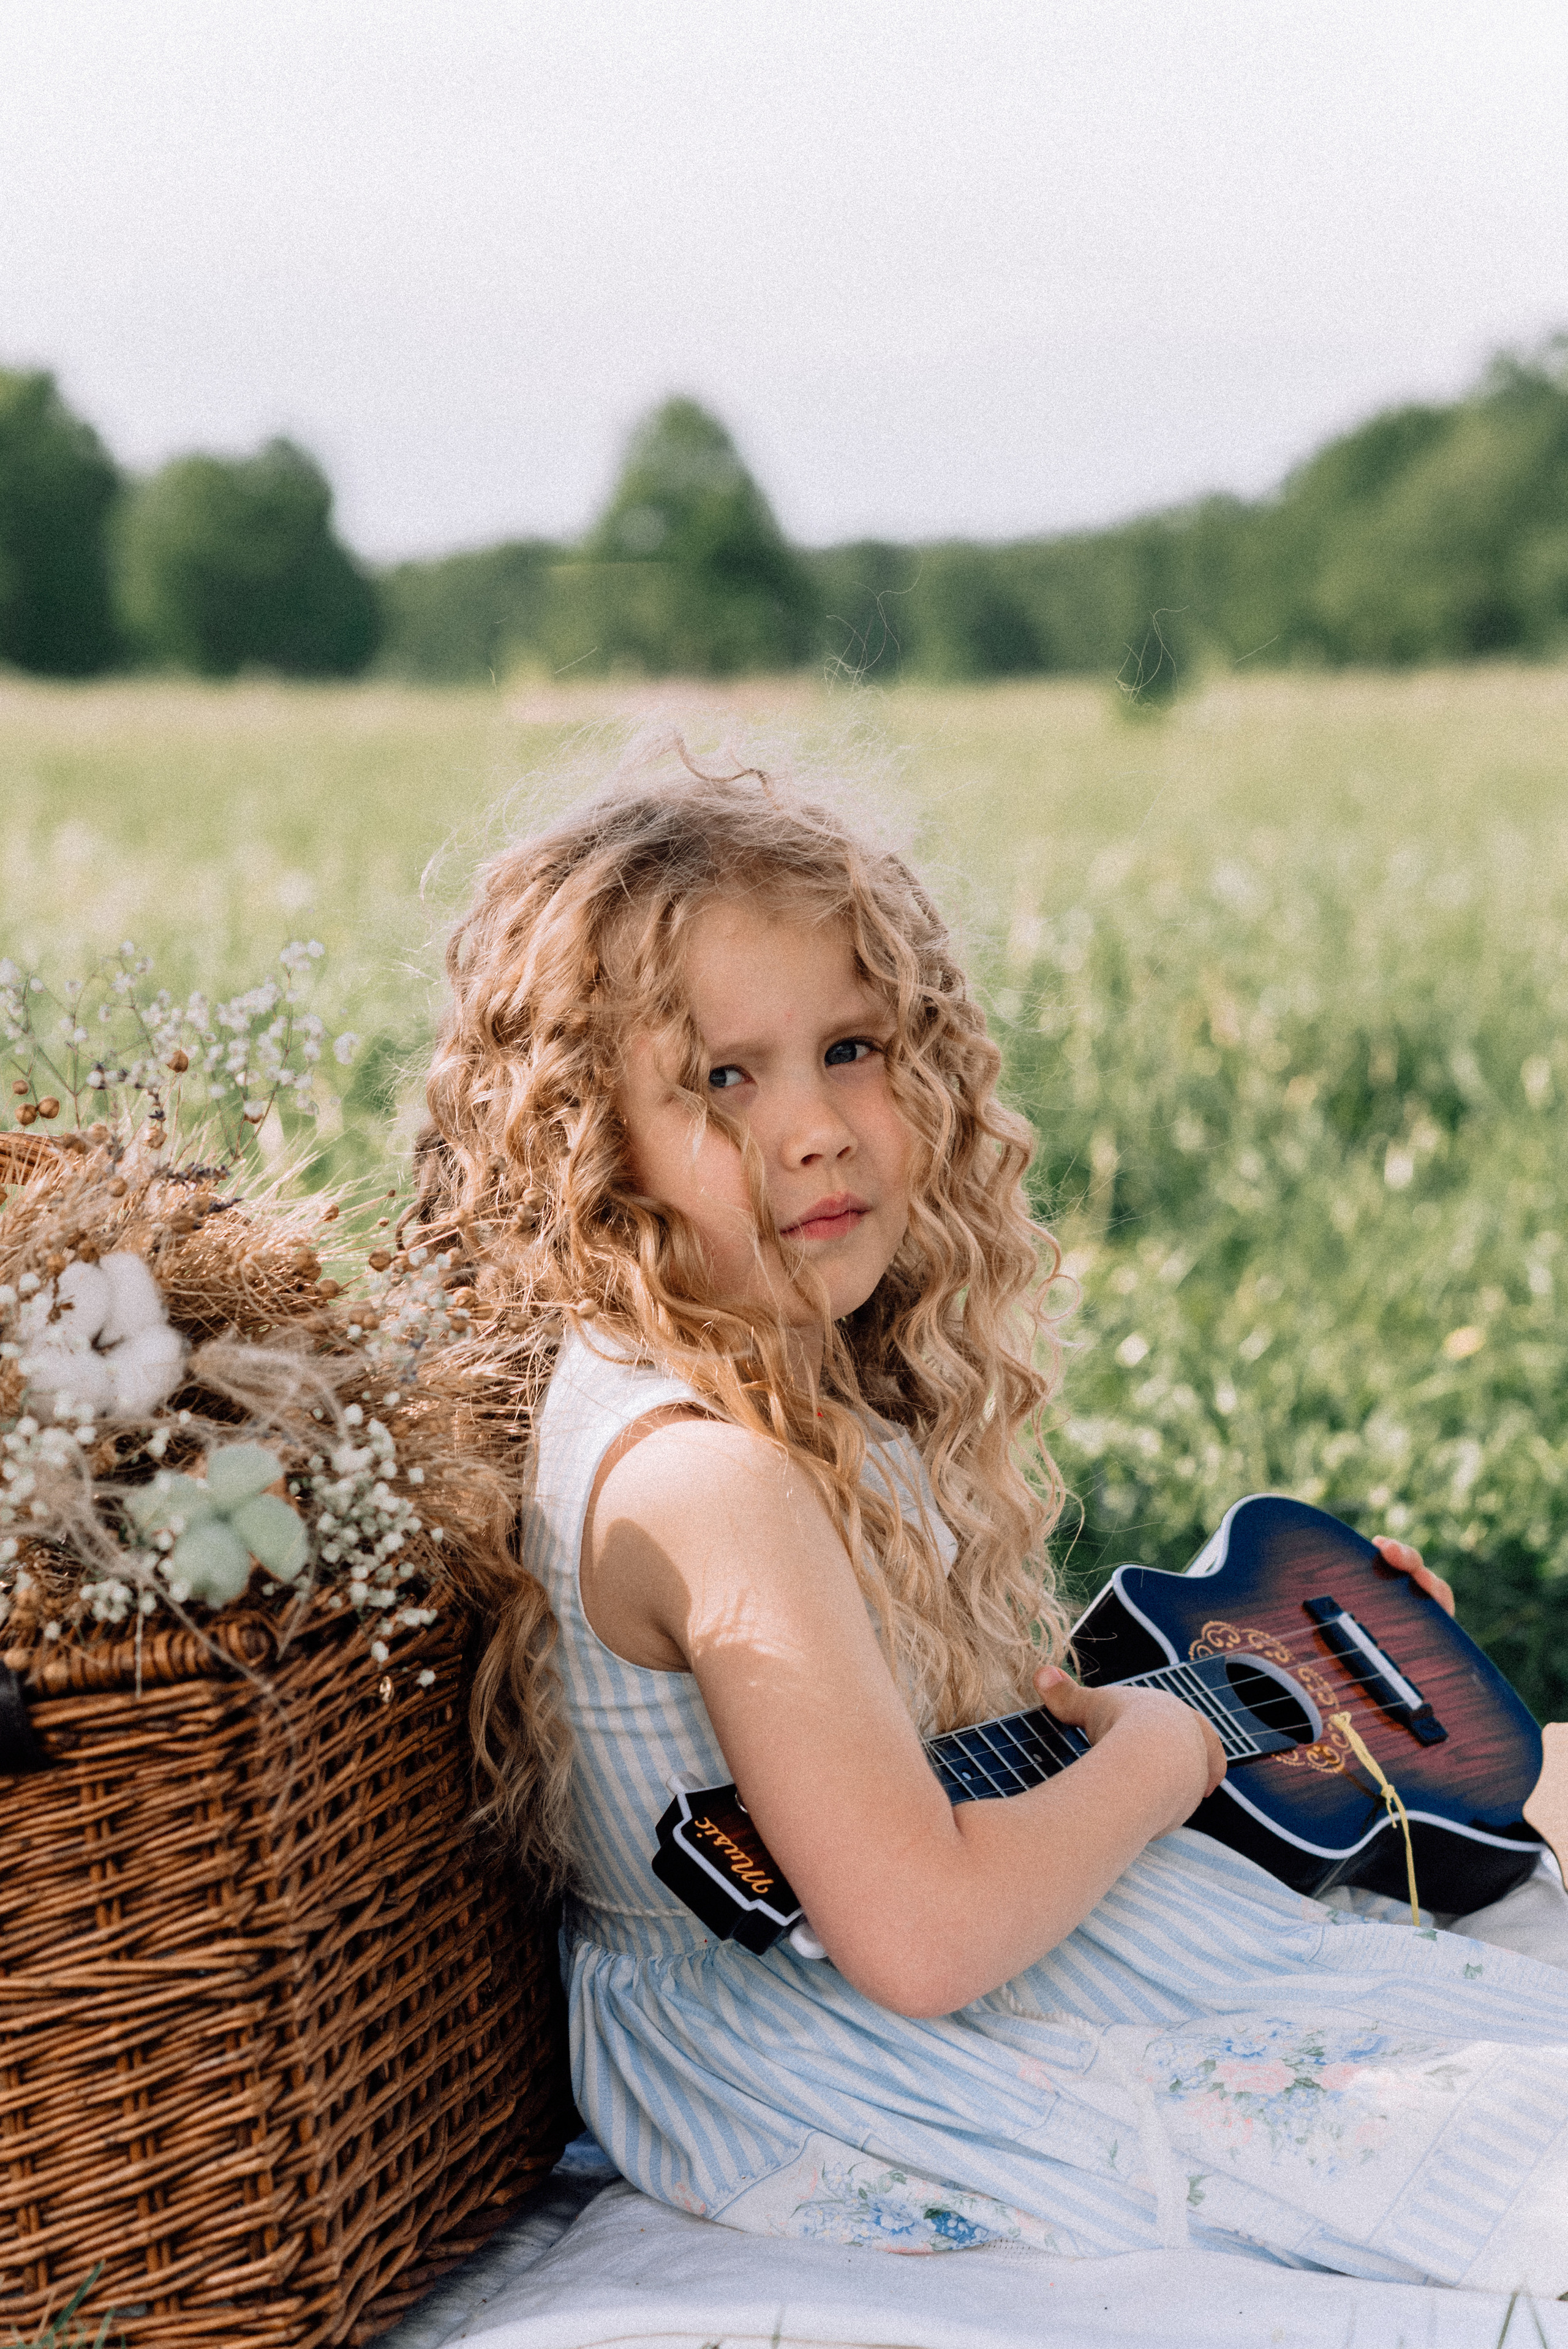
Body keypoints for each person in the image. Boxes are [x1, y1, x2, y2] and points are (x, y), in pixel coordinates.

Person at [411, 740, 1568, 2293]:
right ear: (588, 1143)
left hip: (882, 1969)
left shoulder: (791, 1381)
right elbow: (921, 1935)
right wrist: (1163, 1758)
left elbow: (944, 1743)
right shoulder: (708, 1475)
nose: (814, 1127)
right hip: (829, 2052)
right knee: (1480, 2137)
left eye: (852, 1048)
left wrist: (1280, 1681)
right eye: (723, 1079)